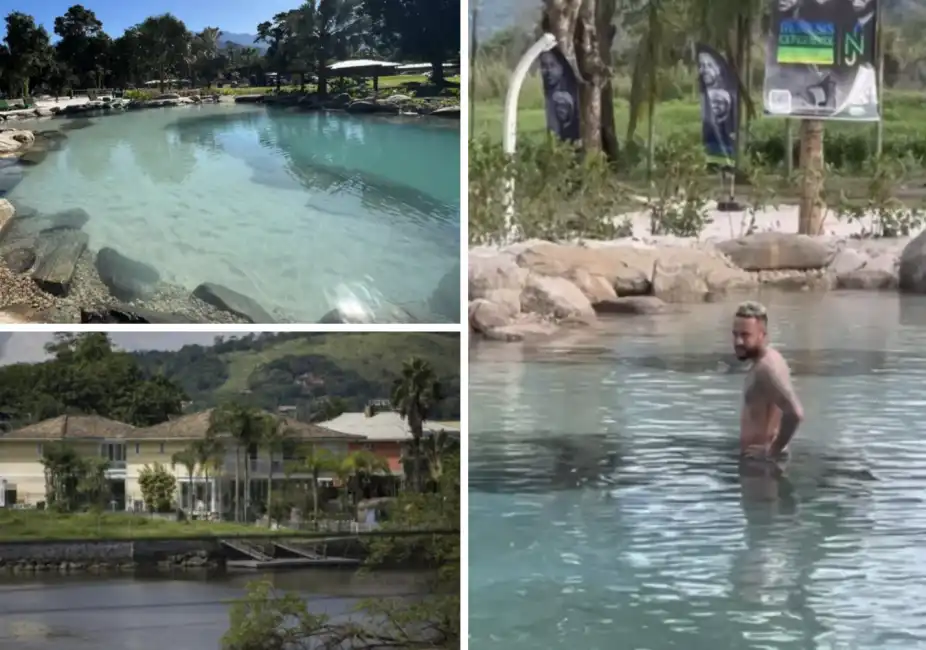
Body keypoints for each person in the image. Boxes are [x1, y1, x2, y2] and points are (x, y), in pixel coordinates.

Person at [732, 301, 804, 459]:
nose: (738, 342)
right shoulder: (765, 362)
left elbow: (795, 413)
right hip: (760, 463)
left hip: (763, 467)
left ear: (762, 334)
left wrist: (772, 451)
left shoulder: (767, 368)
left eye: (745, 335)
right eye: (735, 334)